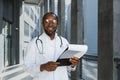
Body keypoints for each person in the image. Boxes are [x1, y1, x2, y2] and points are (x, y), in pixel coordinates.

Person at [24, 12, 79, 80]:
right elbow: (27, 67)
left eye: (54, 21)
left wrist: (73, 64)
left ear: (57, 24)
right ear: (42, 24)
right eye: (47, 21)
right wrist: (43, 67)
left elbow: (68, 68)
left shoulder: (64, 42)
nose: (50, 24)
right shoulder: (34, 43)